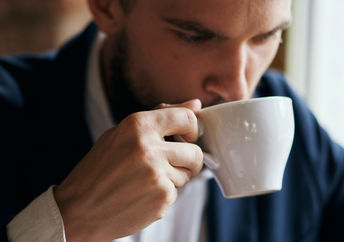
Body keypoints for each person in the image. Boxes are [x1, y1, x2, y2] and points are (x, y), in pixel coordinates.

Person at [1, 0, 343, 241]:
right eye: (197, 37)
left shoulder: (290, 123)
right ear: (107, 5)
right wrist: (67, 223)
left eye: (265, 36)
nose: (238, 89)